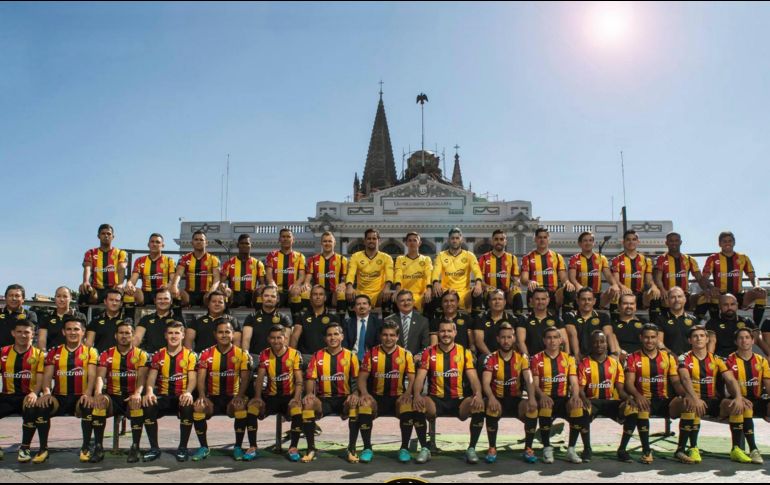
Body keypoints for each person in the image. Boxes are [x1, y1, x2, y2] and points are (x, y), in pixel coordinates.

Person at [412, 320, 485, 465]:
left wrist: (478, 394)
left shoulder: (464, 352)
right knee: (419, 404)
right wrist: (417, 395)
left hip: (458, 400)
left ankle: (471, 448)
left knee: (478, 405)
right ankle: (425, 448)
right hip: (435, 399)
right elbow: (420, 378)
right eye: (443, 331)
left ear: (455, 333)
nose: (446, 334)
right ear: (438, 333)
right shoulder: (429, 352)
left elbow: (474, 378)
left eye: (449, 331)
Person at [670, 325, 744, 464]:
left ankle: (736, 449)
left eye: (702, 336)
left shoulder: (716, 359)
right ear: (690, 340)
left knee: (735, 405)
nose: (699, 338)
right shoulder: (683, 358)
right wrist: (694, 397)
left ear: (707, 339)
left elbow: (730, 379)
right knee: (690, 405)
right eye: (695, 336)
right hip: (692, 398)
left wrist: (738, 397)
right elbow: (685, 379)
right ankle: (686, 449)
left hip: (711, 400)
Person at [617, 324, 690, 464]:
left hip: (664, 400)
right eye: (646, 337)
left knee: (688, 406)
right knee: (640, 407)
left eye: (652, 337)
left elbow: (675, 382)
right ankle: (646, 451)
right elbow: (629, 383)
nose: (649, 341)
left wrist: (686, 396)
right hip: (644, 399)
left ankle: (681, 450)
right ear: (641, 338)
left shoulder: (667, 357)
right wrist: (638, 396)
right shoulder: (633, 357)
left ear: (657, 339)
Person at [36, 315, 99, 463]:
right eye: (69, 329)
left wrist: (88, 394)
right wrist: (46, 392)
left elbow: (92, 376)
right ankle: (43, 449)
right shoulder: (54, 352)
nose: (72, 332)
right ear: (63, 332)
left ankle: (85, 447)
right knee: (41, 406)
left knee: (88, 405)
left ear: (83, 332)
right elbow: (47, 376)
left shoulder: (91, 352)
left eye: (76, 329)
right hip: (59, 397)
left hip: (80, 397)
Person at [356, 322, 416, 463]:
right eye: (385, 335)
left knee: (407, 405)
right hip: (376, 398)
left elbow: (413, 379)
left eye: (392, 335)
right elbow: (362, 379)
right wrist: (364, 393)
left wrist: (408, 394)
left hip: (398, 397)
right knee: (364, 406)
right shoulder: (371, 354)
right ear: (380, 336)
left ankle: (404, 448)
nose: (388, 338)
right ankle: (367, 448)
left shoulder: (406, 354)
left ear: (397, 337)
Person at [192, 319, 251, 461]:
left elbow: (245, 378)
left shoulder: (241, 354)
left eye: (227, 332)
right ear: (215, 334)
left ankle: (237, 447)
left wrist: (240, 396)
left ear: (233, 334)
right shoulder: (206, 354)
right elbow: (200, 378)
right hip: (212, 396)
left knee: (241, 406)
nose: (224, 335)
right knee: (198, 407)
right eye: (220, 332)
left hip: (232, 397)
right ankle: (204, 447)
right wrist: (202, 396)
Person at [301, 323, 360, 463]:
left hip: (343, 399)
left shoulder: (351, 356)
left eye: (336, 334)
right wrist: (309, 393)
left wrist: (355, 393)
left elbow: (357, 380)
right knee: (308, 404)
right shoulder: (317, 356)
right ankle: (310, 448)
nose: (333, 337)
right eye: (329, 335)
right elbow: (310, 378)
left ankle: (351, 448)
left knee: (354, 405)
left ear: (342, 336)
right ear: (325, 338)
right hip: (324, 400)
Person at [92, 322, 149, 463]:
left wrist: (137, 393)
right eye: (121, 333)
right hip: (113, 397)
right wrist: (98, 393)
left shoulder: (141, 354)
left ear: (133, 335)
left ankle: (135, 447)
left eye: (127, 333)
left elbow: (142, 378)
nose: (124, 336)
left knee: (136, 404)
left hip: (131, 396)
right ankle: (98, 446)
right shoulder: (106, 354)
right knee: (99, 403)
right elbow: (100, 376)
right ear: (115, 335)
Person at [481, 322, 538, 464]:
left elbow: (529, 379)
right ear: (498, 339)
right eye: (503, 337)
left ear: (513, 338)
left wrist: (531, 398)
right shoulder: (491, 358)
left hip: (515, 400)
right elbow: (485, 383)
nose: (506, 341)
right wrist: (492, 398)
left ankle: (528, 448)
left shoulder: (522, 358)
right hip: (497, 399)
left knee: (532, 409)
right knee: (491, 408)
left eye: (509, 337)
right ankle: (492, 447)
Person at [141, 321, 197, 462]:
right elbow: (151, 378)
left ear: (183, 335)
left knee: (188, 406)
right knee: (148, 404)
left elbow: (192, 379)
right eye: (170, 333)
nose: (173, 336)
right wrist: (149, 392)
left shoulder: (190, 355)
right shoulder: (158, 355)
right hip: (163, 396)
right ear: (165, 335)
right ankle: (154, 448)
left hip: (181, 396)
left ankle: (182, 448)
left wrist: (188, 392)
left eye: (177, 333)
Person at [530, 327, 583, 464]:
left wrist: (575, 396)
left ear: (560, 340)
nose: (552, 341)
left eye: (555, 337)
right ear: (544, 340)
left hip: (563, 398)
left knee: (577, 408)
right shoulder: (536, 359)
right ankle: (547, 447)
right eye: (549, 337)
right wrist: (542, 396)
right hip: (545, 397)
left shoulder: (568, 359)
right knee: (546, 407)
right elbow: (534, 385)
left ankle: (571, 449)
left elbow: (574, 381)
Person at [577, 330, 631, 464]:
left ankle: (622, 449)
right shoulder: (584, 364)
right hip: (592, 402)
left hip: (610, 402)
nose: (599, 345)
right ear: (591, 344)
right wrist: (584, 399)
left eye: (602, 341)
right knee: (581, 410)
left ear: (607, 344)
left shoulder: (615, 363)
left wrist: (628, 399)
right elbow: (580, 390)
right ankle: (587, 449)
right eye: (595, 342)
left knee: (633, 410)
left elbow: (620, 389)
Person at [252, 325, 304, 462]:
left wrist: (296, 398)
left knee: (297, 410)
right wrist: (257, 397)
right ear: (269, 339)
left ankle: (293, 448)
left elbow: (299, 380)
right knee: (252, 408)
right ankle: (252, 447)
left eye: (279, 338)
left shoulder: (294, 354)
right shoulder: (264, 354)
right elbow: (259, 378)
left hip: (289, 397)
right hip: (271, 397)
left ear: (285, 338)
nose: (276, 341)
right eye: (273, 338)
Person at [0, 318, 44, 463]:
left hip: (28, 396)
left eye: (27, 332)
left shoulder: (39, 355)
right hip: (7, 395)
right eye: (19, 332)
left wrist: (34, 393)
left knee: (32, 409)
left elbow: (40, 379)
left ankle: (25, 448)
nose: (23, 335)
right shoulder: (3, 352)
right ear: (13, 333)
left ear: (33, 334)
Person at [724, 328, 770, 464]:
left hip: (757, 399)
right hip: (737, 398)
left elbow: (768, 384)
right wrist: (740, 397)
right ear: (736, 341)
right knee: (743, 406)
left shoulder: (761, 361)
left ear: (753, 340)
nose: (744, 340)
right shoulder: (730, 360)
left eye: (747, 337)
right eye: (741, 338)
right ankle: (750, 449)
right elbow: (728, 386)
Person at [702, 231, 767, 324]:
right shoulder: (713, 258)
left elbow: (753, 276)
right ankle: (715, 325)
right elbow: (704, 278)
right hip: (721, 295)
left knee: (761, 293)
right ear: (719, 244)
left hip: (739, 295)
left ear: (734, 242)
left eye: (730, 241)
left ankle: (756, 327)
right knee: (712, 295)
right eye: (724, 241)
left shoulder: (743, 257)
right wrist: (711, 287)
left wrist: (757, 285)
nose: (727, 243)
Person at [653, 232, 709, 318]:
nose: (674, 243)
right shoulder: (661, 259)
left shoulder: (689, 259)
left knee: (705, 297)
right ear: (666, 243)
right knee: (658, 297)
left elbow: (699, 278)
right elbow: (657, 278)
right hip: (667, 294)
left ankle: (695, 321)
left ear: (680, 242)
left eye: (676, 240)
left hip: (685, 294)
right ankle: (663, 320)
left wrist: (706, 289)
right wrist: (662, 290)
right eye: (671, 241)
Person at [610, 230, 661, 320]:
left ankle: (655, 322)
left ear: (638, 242)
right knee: (615, 290)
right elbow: (615, 279)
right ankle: (615, 321)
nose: (631, 242)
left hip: (640, 295)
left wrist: (654, 286)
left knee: (654, 292)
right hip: (623, 293)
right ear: (623, 242)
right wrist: (622, 287)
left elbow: (648, 280)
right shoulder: (616, 260)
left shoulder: (646, 260)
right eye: (628, 239)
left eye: (634, 239)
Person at [430, 228, 483, 314]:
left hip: (464, 293)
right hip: (447, 292)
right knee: (436, 290)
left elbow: (477, 271)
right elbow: (435, 271)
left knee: (478, 291)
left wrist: (478, 283)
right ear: (448, 240)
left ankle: (476, 320)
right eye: (452, 238)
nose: (455, 240)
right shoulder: (441, 255)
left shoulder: (469, 255)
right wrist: (435, 282)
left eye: (457, 238)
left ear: (461, 240)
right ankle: (438, 318)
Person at [521, 227, 572, 312]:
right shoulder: (527, 258)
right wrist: (529, 282)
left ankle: (567, 318)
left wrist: (567, 282)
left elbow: (563, 276)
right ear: (535, 239)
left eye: (545, 237)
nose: (542, 240)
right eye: (540, 237)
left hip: (552, 293)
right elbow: (523, 279)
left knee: (570, 288)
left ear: (549, 239)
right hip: (535, 292)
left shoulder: (557, 257)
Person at [567, 232, 617, 311]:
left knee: (614, 289)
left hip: (597, 295)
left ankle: (605, 310)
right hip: (581, 294)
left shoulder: (601, 258)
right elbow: (571, 277)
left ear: (593, 243)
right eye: (585, 240)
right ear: (580, 243)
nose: (588, 243)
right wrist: (577, 286)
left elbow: (608, 275)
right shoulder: (574, 258)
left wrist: (614, 284)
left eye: (590, 240)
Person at [78, 224, 128, 305]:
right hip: (96, 288)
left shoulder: (120, 253)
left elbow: (121, 268)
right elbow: (87, 268)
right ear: (98, 236)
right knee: (84, 290)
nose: (106, 236)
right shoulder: (90, 252)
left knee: (128, 296)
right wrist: (86, 281)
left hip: (114, 288)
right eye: (103, 233)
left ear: (113, 236)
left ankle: (124, 317)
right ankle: (83, 317)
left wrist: (120, 284)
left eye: (108, 234)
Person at [346, 228, 394, 310]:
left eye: (374, 238)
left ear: (379, 240)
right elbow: (351, 273)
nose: (371, 241)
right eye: (369, 238)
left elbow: (389, 275)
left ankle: (386, 322)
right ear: (364, 241)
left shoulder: (386, 257)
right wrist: (349, 287)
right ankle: (351, 321)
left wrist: (387, 287)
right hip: (360, 293)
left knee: (389, 295)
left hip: (378, 294)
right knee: (343, 294)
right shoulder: (356, 256)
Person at [477, 230, 523, 315]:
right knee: (489, 292)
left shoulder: (512, 258)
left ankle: (519, 320)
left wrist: (515, 285)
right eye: (496, 239)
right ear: (492, 241)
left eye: (502, 239)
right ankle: (488, 318)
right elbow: (480, 280)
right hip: (490, 291)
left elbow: (516, 279)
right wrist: (487, 286)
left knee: (517, 292)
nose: (499, 242)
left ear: (505, 241)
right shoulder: (484, 258)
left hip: (507, 293)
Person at [170, 230, 221, 308]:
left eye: (201, 240)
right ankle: (177, 317)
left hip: (206, 292)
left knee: (214, 297)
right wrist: (174, 286)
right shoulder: (185, 258)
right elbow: (179, 274)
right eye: (196, 239)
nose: (198, 242)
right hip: (189, 293)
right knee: (176, 292)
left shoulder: (213, 259)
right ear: (192, 242)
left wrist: (211, 292)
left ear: (206, 243)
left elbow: (217, 278)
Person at [125, 233, 176, 307]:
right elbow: (133, 279)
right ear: (148, 244)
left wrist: (170, 285)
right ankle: (129, 317)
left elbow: (173, 280)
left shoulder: (169, 260)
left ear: (163, 245)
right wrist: (129, 284)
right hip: (145, 293)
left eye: (157, 242)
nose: (154, 244)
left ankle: (175, 317)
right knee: (129, 292)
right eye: (152, 242)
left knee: (177, 292)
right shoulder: (140, 260)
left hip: (163, 292)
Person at [302, 231, 348, 314]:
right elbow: (308, 278)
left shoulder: (342, 260)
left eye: (330, 241)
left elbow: (344, 278)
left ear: (334, 243)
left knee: (341, 293)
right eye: (325, 241)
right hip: (318, 293)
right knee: (305, 292)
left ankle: (340, 322)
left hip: (334, 293)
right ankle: (307, 318)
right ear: (321, 243)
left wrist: (343, 283)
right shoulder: (312, 260)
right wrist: (306, 284)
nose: (327, 243)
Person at [291, 285, 340, 361]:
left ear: (325, 298)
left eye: (321, 294)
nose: (318, 297)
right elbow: (295, 337)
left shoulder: (333, 317)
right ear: (310, 297)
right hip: (305, 357)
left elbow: (338, 339)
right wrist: (291, 357)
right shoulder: (302, 315)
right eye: (315, 294)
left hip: (326, 356)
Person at [706, 293, 762, 358]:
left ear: (737, 305)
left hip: (742, 359)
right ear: (719, 306)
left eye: (732, 304)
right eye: (725, 305)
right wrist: (709, 359)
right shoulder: (712, 323)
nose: (729, 307)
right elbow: (711, 341)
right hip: (720, 359)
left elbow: (758, 339)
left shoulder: (747, 321)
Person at [242, 285, 292, 357]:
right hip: (255, 357)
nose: (269, 299)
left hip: (276, 358)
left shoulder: (284, 319)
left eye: (273, 296)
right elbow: (246, 340)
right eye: (266, 296)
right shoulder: (251, 317)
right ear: (261, 298)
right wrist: (246, 356)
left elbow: (285, 342)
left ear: (277, 299)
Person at [266, 228, 307, 317]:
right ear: (279, 239)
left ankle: (296, 322)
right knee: (269, 293)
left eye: (288, 236)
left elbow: (301, 276)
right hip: (277, 289)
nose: (285, 239)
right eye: (283, 237)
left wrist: (296, 285)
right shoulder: (272, 255)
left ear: (293, 240)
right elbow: (269, 273)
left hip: (291, 290)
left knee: (296, 291)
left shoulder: (300, 256)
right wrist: (271, 282)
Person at [516, 288, 567, 358]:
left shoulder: (556, 319)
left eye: (543, 299)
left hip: (553, 361)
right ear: (531, 301)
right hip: (531, 360)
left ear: (548, 300)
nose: (540, 302)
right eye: (537, 299)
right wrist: (528, 360)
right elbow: (520, 342)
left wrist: (566, 359)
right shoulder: (523, 319)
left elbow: (565, 342)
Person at [564, 288, 611, 363]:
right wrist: (577, 354)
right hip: (577, 356)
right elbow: (572, 334)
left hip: (597, 356)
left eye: (589, 299)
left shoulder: (603, 316)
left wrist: (609, 354)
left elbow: (608, 335)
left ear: (594, 301)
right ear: (577, 301)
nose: (587, 302)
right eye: (583, 299)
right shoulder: (569, 315)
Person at [474, 289, 519, 366]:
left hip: (507, 357)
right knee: (482, 359)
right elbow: (479, 342)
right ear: (489, 302)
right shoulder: (480, 318)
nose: (497, 302)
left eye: (500, 299)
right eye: (494, 299)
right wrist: (493, 358)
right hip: (487, 357)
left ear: (505, 302)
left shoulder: (513, 320)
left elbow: (514, 343)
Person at [220, 234, 265, 309]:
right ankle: (225, 312)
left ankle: (259, 314)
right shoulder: (229, 263)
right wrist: (223, 285)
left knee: (262, 289)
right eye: (242, 243)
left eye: (247, 243)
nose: (244, 246)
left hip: (251, 295)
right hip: (234, 295)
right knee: (224, 289)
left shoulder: (257, 264)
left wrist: (261, 288)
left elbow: (262, 283)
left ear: (251, 245)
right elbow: (222, 281)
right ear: (238, 245)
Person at [393, 232, 433, 314]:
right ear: (406, 243)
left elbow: (428, 275)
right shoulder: (400, 259)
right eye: (409, 240)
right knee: (394, 298)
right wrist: (397, 290)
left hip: (421, 295)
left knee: (431, 299)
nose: (412, 243)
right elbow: (398, 274)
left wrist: (429, 289)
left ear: (419, 243)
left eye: (415, 240)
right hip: (404, 294)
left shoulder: (426, 259)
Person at [383, 289, 431, 357]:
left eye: (409, 300)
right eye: (402, 301)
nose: (406, 303)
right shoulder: (389, 320)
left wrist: (419, 356)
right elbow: (385, 343)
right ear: (397, 303)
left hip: (415, 362)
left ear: (413, 302)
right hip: (393, 360)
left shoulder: (423, 321)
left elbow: (425, 345)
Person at [37, 286, 85, 352]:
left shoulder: (80, 316)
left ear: (70, 298)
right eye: (58, 296)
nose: (61, 299)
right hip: (52, 356)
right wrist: (44, 355)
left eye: (65, 296)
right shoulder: (46, 317)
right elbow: (42, 339)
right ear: (55, 298)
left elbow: (82, 339)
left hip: (74, 357)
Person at [134, 288, 180, 354]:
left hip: (171, 357)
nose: (163, 301)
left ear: (171, 301)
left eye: (166, 298)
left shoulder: (177, 319)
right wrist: (129, 351)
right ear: (155, 301)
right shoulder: (146, 319)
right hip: (149, 357)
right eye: (160, 299)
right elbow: (137, 338)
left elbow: (183, 340)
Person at [603, 293, 646, 364]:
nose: (629, 306)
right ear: (619, 306)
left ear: (635, 306)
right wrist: (619, 353)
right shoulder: (610, 323)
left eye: (632, 304)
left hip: (640, 359)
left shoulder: (644, 322)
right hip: (617, 360)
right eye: (625, 303)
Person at [656, 287, 698, 357]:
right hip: (668, 358)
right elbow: (659, 342)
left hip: (690, 359)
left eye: (679, 296)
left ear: (685, 299)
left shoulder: (694, 320)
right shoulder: (660, 319)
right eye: (673, 297)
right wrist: (672, 355)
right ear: (668, 300)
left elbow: (698, 342)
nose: (676, 300)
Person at [343, 295, 383, 365]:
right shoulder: (347, 323)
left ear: (370, 307)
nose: (361, 306)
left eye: (364, 303)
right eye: (358, 304)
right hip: (351, 360)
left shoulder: (378, 323)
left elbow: (379, 344)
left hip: (372, 360)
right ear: (354, 308)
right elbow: (344, 345)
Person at [85, 288, 126, 353]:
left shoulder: (126, 321)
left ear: (121, 303)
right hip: (100, 360)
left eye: (117, 300)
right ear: (105, 301)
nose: (114, 303)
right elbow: (88, 344)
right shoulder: (95, 321)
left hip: (120, 360)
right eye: (111, 300)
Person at [0, 284, 38, 348]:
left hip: (19, 353)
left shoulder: (30, 315)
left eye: (17, 296)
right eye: (10, 295)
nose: (13, 298)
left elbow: (30, 336)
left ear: (23, 299)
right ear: (5, 298)